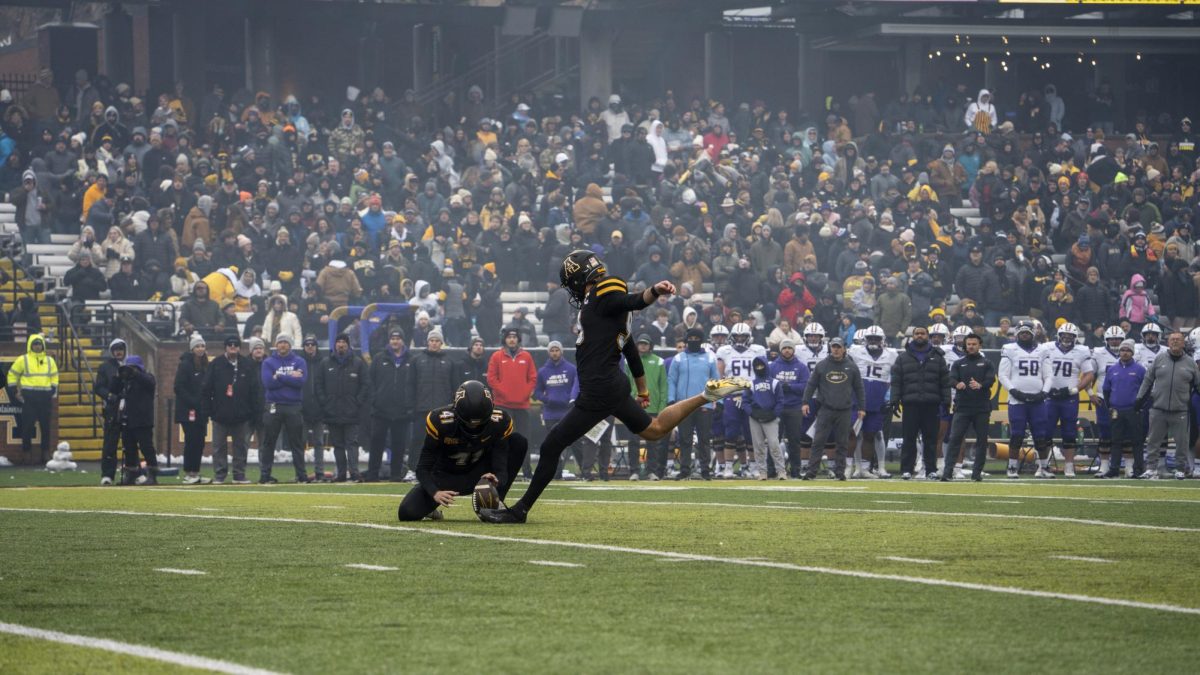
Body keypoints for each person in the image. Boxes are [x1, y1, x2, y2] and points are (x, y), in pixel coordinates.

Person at [478, 250, 750, 523]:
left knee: (551, 445)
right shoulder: (608, 314)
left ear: (580, 276)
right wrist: (642, 390)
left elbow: (632, 300)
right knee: (654, 430)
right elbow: (630, 351)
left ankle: (520, 510)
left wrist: (654, 291)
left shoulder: (602, 292)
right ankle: (706, 395)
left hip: (599, 389)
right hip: (612, 385)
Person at [397, 380, 529, 521]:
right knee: (407, 512)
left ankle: (496, 502)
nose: (474, 429)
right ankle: (431, 509)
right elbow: (422, 468)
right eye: (469, 424)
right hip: (446, 477)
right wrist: (434, 492)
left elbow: (501, 468)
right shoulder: (441, 422)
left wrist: (497, 481)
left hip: (479, 475)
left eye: (480, 424)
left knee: (518, 442)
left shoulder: (499, 422)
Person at [1136, 331, 1200, 479]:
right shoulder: (1159, 359)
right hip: (1158, 407)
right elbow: (1147, 380)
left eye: (1178, 339)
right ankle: (1151, 468)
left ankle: (1180, 469)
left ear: (1184, 343)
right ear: (1168, 342)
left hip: (1180, 410)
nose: (1175, 342)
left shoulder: (1190, 363)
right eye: (1172, 340)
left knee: (1182, 442)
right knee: (1153, 440)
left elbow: (1198, 384)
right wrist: (1139, 399)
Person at [890, 326, 950, 480]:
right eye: (917, 333)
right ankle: (906, 469)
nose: (919, 336)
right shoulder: (903, 357)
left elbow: (944, 381)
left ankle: (930, 469)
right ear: (912, 336)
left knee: (930, 439)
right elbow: (897, 381)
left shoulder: (937, 356)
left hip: (931, 404)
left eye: (922, 333)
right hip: (911, 403)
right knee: (909, 438)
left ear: (928, 336)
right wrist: (895, 400)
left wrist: (946, 401)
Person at [201, 335, 263, 484]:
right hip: (220, 414)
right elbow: (206, 388)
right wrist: (209, 410)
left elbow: (255, 390)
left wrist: (254, 411)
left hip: (242, 415)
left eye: (236, 344)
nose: (233, 347)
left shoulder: (247, 364)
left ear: (240, 347)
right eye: (230, 344)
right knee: (218, 448)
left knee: (241, 447)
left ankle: (239, 474)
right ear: (225, 347)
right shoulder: (216, 364)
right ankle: (220, 474)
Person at [800, 337, 864, 480]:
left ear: (844, 349)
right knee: (818, 441)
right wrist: (805, 402)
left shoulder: (852, 366)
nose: (835, 349)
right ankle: (811, 471)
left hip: (845, 410)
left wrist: (862, 407)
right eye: (833, 347)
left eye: (838, 347)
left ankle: (840, 472)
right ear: (830, 348)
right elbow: (811, 385)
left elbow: (859, 388)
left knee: (842, 442)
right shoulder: (822, 365)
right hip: (826, 409)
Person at [1040, 323, 1095, 477]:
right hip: (1049, 395)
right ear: (1058, 335)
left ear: (1075, 337)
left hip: (1069, 397)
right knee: (1045, 432)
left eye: (1070, 336)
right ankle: (1043, 465)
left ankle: (1069, 466)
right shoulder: (1047, 347)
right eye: (1064, 335)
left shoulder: (1081, 351)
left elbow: (1089, 374)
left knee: (1069, 432)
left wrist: (1075, 389)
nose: (1067, 338)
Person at [999, 321, 1052, 479]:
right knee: (1017, 435)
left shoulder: (1043, 349)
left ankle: (1044, 468)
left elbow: (1048, 375)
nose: (1024, 335)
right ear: (1016, 333)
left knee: (1040, 435)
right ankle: (1012, 467)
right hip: (1017, 400)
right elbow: (1002, 375)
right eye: (1022, 332)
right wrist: (1014, 391)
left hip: (1038, 399)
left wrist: (1044, 393)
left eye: (1027, 332)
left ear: (1033, 333)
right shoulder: (1010, 349)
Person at [941, 333, 996, 482]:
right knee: (954, 439)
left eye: (974, 344)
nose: (971, 346)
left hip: (981, 408)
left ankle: (976, 473)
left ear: (980, 346)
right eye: (969, 344)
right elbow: (951, 378)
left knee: (982, 440)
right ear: (965, 345)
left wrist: (981, 385)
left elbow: (991, 379)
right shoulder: (959, 363)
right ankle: (947, 472)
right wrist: (956, 384)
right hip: (962, 407)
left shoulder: (987, 363)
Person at [315, 332, 369, 482]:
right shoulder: (325, 363)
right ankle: (341, 474)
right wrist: (325, 402)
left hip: (352, 412)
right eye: (338, 341)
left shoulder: (358, 363)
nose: (341, 344)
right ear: (334, 345)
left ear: (348, 344)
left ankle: (354, 473)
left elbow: (366, 385)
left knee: (352, 444)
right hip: (332, 412)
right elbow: (318, 385)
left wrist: (357, 401)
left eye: (343, 342)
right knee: (338, 445)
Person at [715, 322, 767, 477]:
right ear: (732, 336)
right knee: (731, 432)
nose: (739, 339)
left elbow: (763, 374)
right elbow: (719, 376)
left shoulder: (758, 350)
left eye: (743, 336)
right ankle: (729, 467)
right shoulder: (724, 351)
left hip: (751, 395)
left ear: (749, 337)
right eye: (737, 336)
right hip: (732, 394)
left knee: (751, 433)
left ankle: (753, 467)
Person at [668, 328, 719, 480]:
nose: (694, 340)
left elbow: (716, 381)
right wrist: (671, 399)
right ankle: (685, 469)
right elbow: (671, 380)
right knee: (684, 439)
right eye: (691, 338)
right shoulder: (678, 358)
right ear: (686, 340)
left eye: (697, 338)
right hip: (683, 406)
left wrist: (719, 401)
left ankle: (705, 470)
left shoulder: (710, 358)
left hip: (704, 405)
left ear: (702, 340)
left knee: (704, 439)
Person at [847, 325, 897, 479]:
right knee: (853, 434)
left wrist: (890, 397)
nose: (873, 341)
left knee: (872, 435)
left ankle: (866, 468)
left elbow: (896, 377)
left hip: (878, 400)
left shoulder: (892, 355)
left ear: (883, 340)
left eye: (876, 339)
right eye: (870, 339)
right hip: (857, 400)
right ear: (865, 340)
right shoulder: (855, 352)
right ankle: (849, 467)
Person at [408, 329, 458, 481]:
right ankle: (413, 469)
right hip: (421, 409)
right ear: (427, 342)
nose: (434, 343)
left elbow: (455, 387)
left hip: (443, 411)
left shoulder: (450, 362)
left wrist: (454, 408)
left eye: (437, 341)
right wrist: (411, 406)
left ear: (441, 343)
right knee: (418, 440)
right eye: (432, 340)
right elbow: (410, 385)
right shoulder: (416, 360)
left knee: (444, 441)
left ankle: (441, 470)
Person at [260, 333, 308, 484]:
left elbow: (301, 382)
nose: (282, 345)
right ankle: (265, 475)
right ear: (276, 344)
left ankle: (302, 475)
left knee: (297, 443)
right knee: (269, 442)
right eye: (280, 342)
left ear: (290, 345)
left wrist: (279, 376)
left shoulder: (299, 361)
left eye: (285, 343)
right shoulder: (268, 362)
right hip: (274, 406)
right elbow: (268, 383)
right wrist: (290, 377)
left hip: (293, 406)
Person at [487, 328, 537, 472]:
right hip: (503, 405)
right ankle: (503, 470)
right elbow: (491, 379)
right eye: (509, 337)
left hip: (522, 405)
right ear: (505, 339)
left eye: (514, 337)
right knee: (503, 439)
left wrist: (525, 393)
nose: (512, 339)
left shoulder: (526, 356)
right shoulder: (496, 356)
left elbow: (532, 378)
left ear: (518, 339)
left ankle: (527, 470)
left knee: (524, 439)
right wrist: (504, 393)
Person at [367, 329, 413, 482]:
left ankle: (395, 475)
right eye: (392, 338)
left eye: (398, 338)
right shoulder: (379, 358)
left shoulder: (411, 360)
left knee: (399, 445)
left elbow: (415, 384)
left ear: (403, 341)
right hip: (381, 409)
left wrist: (408, 404)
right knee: (376, 443)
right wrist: (375, 400)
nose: (395, 341)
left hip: (402, 410)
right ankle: (372, 475)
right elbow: (370, 382)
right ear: (389, 340)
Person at [533, 341, 582, 479]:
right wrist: (548, 400)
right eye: (552, 350)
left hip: (568, 412)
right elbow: (536, 392)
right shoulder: (542, 371)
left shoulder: (571, 369)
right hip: (550, 413)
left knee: (576, 442)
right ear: (549, 353)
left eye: (557, 350)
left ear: (561, 352)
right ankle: (556, 473)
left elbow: (577, 387)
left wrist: (570, 399)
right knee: (554, 445)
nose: (555, 353)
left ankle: (585, 471)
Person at [6, 334, 58, 463]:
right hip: (29, 399)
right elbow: (12, 374)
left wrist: (53, 389)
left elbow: (55, 376)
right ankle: (26, 454)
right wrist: (13, 390)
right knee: (27, 427)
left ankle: (45, 454)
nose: (37, 346)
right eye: (35, 344)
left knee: (45, 428)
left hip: (45, 398)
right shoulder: (23, 359)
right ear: (30, 345)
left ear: (43, 345)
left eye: (39, 343)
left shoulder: (50, 360)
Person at [1102, 340, 1146, 478]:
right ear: (1119, 352)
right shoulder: (1112, 369)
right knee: (1116, 440)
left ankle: (1138, 469)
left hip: (1133, 410)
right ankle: (1114, 469)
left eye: (1128, 350)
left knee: (1137, 440)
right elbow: (1106, 390)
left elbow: (1146, 389)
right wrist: (1110, 406)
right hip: (1116, 410)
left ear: (1132, 352)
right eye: (1122, 350)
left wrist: (1140, 406)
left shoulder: (1140, 369)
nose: (1125, 352)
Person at [626, 334, 669, 479]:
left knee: (653, 442)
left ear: (650, 346)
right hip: (634, 407)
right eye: (640, 344)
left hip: (653, 407)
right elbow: (627, 384)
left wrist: (662, 408)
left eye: (645, 344)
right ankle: (634, 471)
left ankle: (652, 471)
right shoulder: (629, 361)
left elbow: (663, 386)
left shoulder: (659, 362)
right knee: (633, 441)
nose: (643, 346)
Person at [115, 355, 158, 485]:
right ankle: (131, 473)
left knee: (146, 447)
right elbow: (114, 390)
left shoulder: (147, 378)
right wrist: (119, 376)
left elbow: (150, 383)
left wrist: (136, 373)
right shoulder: (126, 382)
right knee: (129, 448)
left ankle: (152, 473)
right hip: (128, 419)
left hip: (142, 420)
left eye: (133, 368)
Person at [174, 334, 211, 484]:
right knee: (191, 441)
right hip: (188, 410)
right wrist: (194, 402)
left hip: (201, 411)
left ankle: (196, 472)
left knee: (200, 441)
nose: (200, 349)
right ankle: (189, 472)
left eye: (202, 346)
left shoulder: (205, 365)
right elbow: (178, 387)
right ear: (192, 348)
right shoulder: (185, 364)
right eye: (197, 346)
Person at [1090, 326, 1126, 478]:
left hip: (1124, 399)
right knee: (1105, 432)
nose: (1115, 341)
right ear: (1106, 340)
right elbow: (1089, 375)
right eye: (1112, 339)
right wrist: (1091, 394)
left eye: (1118, 339)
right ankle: (1104, 465)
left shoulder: (1131, 353)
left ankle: (1128, 466)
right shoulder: (1098, 353)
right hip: (1103, 399)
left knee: (1125, 433)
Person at [743, 356, 788, 480]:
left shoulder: (775, 382)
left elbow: (780, 400)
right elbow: (745, 401)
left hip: (771, 417)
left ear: (766, 366)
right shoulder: (751, 384)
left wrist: (774, 414)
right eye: (757, 366)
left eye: (761, 365)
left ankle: (781, 471)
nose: (759, 368)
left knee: (774, 444)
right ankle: (762, 472)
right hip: (755, 418)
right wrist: (752, 413)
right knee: (758, 445)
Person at [93, 339, 125, 485]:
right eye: (116, 349)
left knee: (130, 443)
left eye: (121, 349)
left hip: (128, 409)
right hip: (112, 409)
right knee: (110, 444)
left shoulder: (130, 365)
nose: (119, 351)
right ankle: (107, 475)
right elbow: (98, 387)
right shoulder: (105, 367)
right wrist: (110, 396)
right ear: (112, 351)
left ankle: (132, 472)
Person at [299, 335, 328, 482]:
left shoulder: (323, 362)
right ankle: (301, 472)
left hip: (318, 408)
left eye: (312, 344)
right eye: (307, 344)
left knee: (319, 442)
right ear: (304, 347)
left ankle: (319, 472)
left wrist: (323, 403)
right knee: (300, 442)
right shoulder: (298, 362)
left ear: (316, 346)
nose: (310, 347)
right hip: (302, 409)